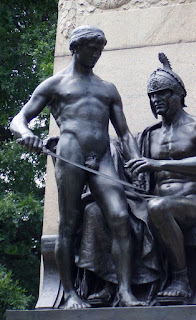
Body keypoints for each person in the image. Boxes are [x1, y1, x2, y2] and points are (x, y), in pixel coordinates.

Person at [10, 25, 146, 309]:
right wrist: (27, 135)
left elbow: (123, 133)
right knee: (68, 224)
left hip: (102, 156)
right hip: (71, 152)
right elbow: (19, 120)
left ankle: (125, 291)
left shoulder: (107, 88)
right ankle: (70, 294)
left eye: (100, 50)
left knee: (120, 216)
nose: (97, 55)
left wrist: (135, 163)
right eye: (91, 49)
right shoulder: (54, 84)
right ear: (75, 48)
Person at [126, 53, 196, 298]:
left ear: (179, 94)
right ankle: (113, 286)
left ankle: (181, 279)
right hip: (154, 202)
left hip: (192, 204)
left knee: (158, 207)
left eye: (162, 93)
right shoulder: (149, 135)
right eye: (152, 95)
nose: (156, 100)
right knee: (103, 210)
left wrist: (157, 164)